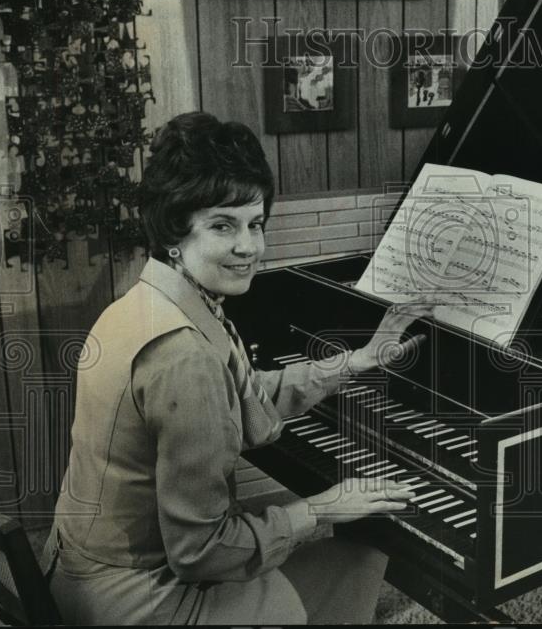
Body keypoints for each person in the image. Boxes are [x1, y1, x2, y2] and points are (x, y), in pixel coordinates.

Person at [43, 112, 432, 624]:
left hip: (72, 563)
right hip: (135, 598)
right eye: (222, 225)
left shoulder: (147, 302)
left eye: (256, 224)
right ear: (173, 231)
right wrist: (318, 509)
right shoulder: (183, 356)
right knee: (360, 556)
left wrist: (355, 361)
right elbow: (200, 552)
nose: (249, 247)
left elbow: (241, 394)